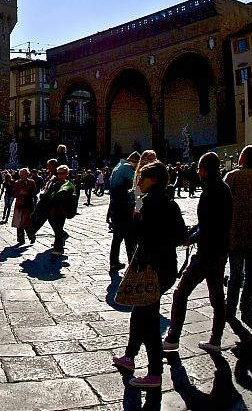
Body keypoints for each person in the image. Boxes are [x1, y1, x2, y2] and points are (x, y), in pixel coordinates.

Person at [113, 161, 187, 390]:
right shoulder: (168, 202)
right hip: (165, 268)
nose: (138, 182)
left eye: (142, 178)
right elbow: (181, 236)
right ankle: (129, 356)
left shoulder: (151, 204)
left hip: (153, 270)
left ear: (153, 179)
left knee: (149, 320)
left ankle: (155, 372)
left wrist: (135, 219)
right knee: (141, 312)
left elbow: (143, 239)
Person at [163, 152, 233, 354]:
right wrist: (193, 231)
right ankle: (216, 339)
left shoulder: (211, 191)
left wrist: (191, 238)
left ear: (204, 170)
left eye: (199, 168)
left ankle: (173, 337)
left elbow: (209, 225)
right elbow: (208, 223)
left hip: (207, 252)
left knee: (181, 292)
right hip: (220, 251)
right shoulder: (224, 188)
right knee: (217, 297)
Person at [225, 144, 252, 320]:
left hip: (235, 233)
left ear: (242, 158)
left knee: (235, 275)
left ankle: (230, 310)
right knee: (251, 274)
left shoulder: (232, 176)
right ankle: (247, 308)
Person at [108, 152, 139, 270]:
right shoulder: (127, 169)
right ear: (134, 162)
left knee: (117, 237)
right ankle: (133, 263)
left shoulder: (117, 167)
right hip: (125, 207)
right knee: (130, 237)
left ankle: (114, 262)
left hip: (115, 206)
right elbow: (135, 185)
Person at [43, 165, 78, 256]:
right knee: (56, 228)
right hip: (51, 210)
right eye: (58, 173)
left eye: (61, 173)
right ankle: (60, 240)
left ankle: (58, 248)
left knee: (58, 228)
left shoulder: (68, 184)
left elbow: (64, 192)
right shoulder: (54, 182)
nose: (59, 175)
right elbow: (47, 192)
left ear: (66, 174)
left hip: (61, 210)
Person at [12, 167, 38, 245]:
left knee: (26, 222)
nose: (25, 175)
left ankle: (31, 236)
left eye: (26, 173)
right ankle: (20, 239)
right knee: (19, 222)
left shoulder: (31, 182)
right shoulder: (17, 183)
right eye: (23, 173)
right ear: (20, 175)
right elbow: (14, 193)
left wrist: (27, 193)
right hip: (20, 204)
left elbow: (35, 192)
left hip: (28, 203)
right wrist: (20, 193)